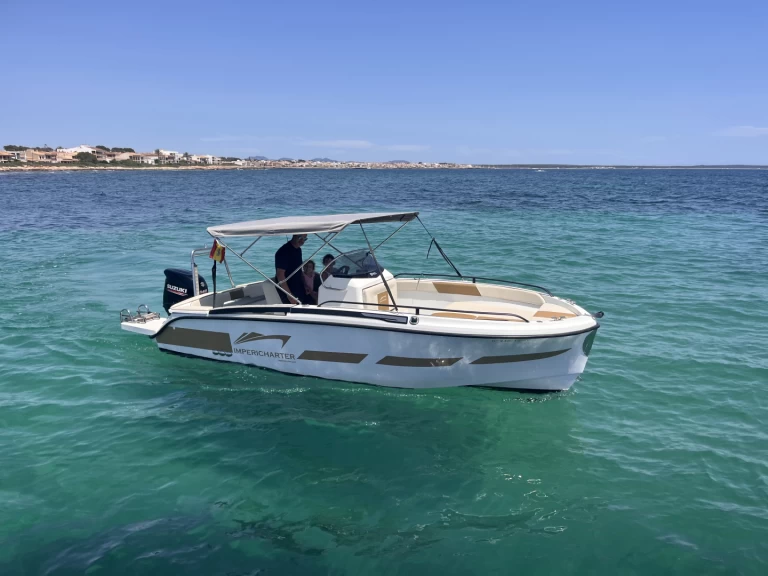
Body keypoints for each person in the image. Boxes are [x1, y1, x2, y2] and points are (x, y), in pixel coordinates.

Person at [275, 234, 308, 304]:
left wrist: (305, 285)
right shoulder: (283, 251)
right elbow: (280, 274)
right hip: (287, 290)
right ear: (294, 235)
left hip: (298, 287)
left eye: (304, 239)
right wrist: (289, 295)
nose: (302, 241)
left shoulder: (299, 250)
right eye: (300, 237)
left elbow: (299, 269)